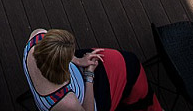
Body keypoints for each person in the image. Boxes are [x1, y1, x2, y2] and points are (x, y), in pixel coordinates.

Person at [22, 27, 162, 111]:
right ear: (61, 63)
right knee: (132, 69)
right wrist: (89, 75)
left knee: (127, 63)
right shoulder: (66, 101)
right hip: (90, 93)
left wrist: (78, 60)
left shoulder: (36, 39)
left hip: (78, 77)